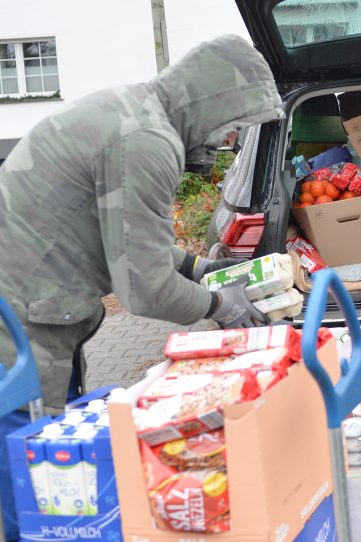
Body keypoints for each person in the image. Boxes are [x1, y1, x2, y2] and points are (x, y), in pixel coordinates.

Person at [0, 34, 283, 540]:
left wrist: (197, 269)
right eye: (234, 125)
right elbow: (142, 288)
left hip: (34, 309)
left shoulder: (136, 110)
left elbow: (122, 240)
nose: (230, 141)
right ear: (211, 101)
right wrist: (220, 305)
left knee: (48, 474)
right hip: (20, 329)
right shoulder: (146, 140)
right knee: (39, 488)